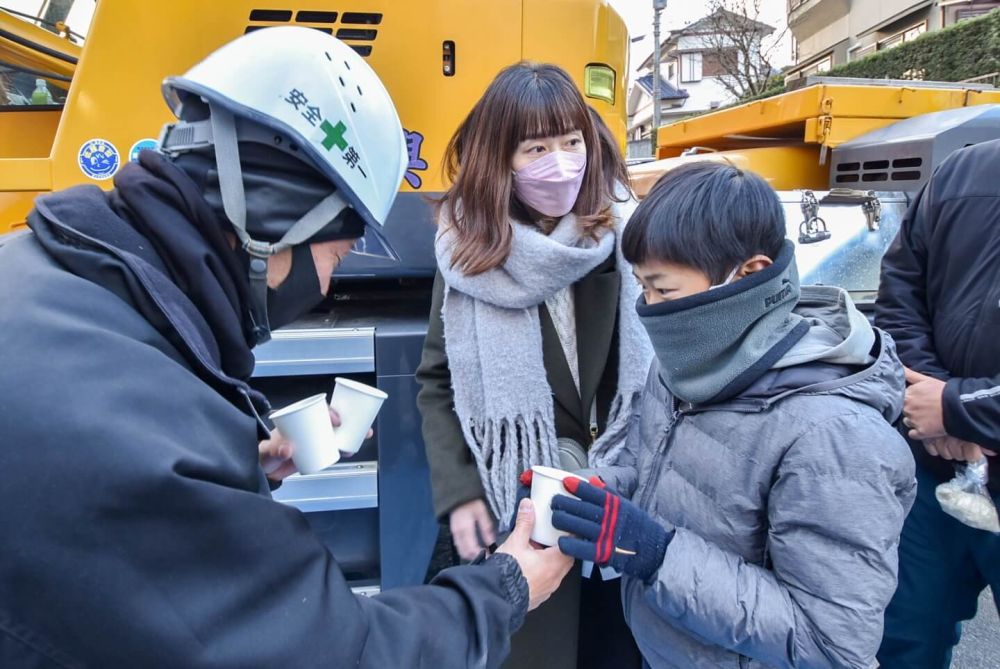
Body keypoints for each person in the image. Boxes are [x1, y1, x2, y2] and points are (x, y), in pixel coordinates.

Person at [0, 27, 573, 668]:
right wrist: (504, 589)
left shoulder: (39, 276)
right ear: (272, 225)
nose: (327, 286)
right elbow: (335, 654)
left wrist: (230, 456)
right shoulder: (131, 433)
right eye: (335, 255)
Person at [546, 161, 917, 668]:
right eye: (643, 288)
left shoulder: (836, 436)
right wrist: (593, 492)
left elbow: (831, 644)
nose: (649, 308)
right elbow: (656, 472)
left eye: (664, 290)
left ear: (750, 274)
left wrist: (655, 552)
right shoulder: (684, 367)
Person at [415, 62, 651, 669]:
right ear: (502, 158)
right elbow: (438, 381)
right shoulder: (468, 251)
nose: (561, 162)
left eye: (572, 141)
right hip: (514, 503)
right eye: (536, 147)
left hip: (618, 493)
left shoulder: (623, 237)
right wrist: (461, 491)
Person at [875, 139, 1000, 668]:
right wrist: (929, 401)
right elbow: (899, 294)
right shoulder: (966, 171)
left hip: (942, 433)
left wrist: (954, 407)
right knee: (904, 637)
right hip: (934, 470)